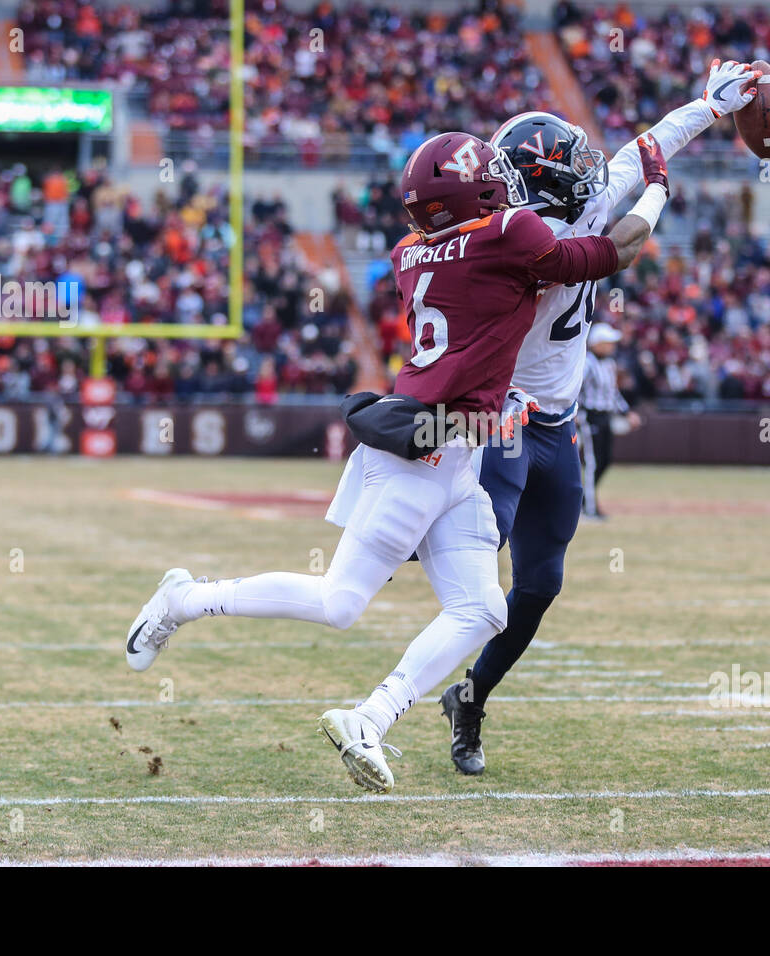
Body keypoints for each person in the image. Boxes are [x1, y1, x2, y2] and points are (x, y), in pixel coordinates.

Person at [123, 129, 671, 793]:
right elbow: (616, 250)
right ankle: (185, 599)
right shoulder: (511, 235)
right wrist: (658, 187)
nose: (505, 181)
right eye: (491, 173)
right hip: (422, 450)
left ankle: (369, 719)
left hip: (453, 452)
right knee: (340, 603)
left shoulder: (411, 251)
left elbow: (478, 301)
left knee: (483, 610)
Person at [438, 60, 760, 776]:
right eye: (570, 164)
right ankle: (386, 703)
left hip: (560, 425)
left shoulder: (569, 203)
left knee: (540, 587)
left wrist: (707, 105)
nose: (589, 171)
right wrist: (660, 191)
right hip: (505, 421)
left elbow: (640, 150)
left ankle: (470, 699)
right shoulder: (519, 244)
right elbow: (627, 240)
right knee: (478, 583)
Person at [578, 323, 640, 516]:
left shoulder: (609, 364)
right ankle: (588, 508)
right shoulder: (587, 363)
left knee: (605, 460)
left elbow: (613, 394)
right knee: (593, 462)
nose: (612, 345)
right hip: (590, 416)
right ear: (597, 343)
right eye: (608, 342)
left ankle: (585, 499)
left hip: (605, 416)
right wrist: (576, 414)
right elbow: (574, 390)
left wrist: (627, 412)